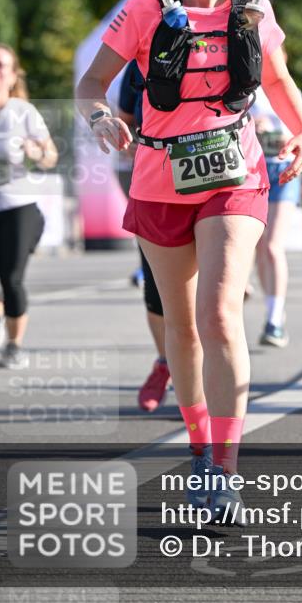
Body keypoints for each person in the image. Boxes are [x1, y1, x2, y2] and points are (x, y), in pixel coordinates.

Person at [76, 0, 302, 524]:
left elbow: (279, 81)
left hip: (235, 177)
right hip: (158, 180)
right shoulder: (144, 10)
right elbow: (90, 84)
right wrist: (102, 118)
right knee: (179, 327)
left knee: (218, 313)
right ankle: (201, 448)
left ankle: (225, 468)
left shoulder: (253, 10)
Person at [0, 44, 57, 369]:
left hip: (18, 208)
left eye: (1, 66)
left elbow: (50, 157)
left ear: (12, 75)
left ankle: (14, 346)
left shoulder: (23, 112)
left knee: (12, 277)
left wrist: (37, 153)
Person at [117, 57, 171, 412]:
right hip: (153, 184)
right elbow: (124, 120)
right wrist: (127, 140)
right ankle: (165, 363)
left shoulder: (216, 39)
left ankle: (213, 384)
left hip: (214, 186)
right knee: (156, 291)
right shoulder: (137, 64)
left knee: (213, 293)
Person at [251, 84, 300, 347]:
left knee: (272, 245)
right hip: (253, 170)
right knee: (258, 246)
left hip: (283, 170)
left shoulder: (287, 89)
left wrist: (283, 135)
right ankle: (271, 308)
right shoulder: (244, 85)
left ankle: (275, 321)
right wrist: (251, 125)